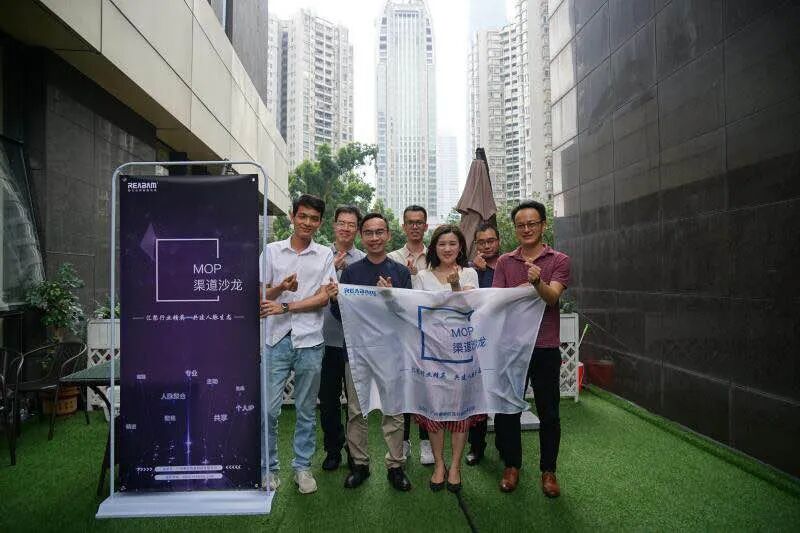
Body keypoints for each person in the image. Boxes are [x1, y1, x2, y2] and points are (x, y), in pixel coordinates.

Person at [491, 200, 570, 498]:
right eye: (521, 225)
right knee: (508, 409)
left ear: (543, 225)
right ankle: (512, 466)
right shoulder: (505, 262)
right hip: (511, 348)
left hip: (545, 347)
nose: (526, 229)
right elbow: (496, 301)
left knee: (549, 412)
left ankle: (548, 471)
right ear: (515, 229)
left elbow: (552, 298)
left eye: (532, 223)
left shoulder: (559, 260)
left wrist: (537, 283)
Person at [330, 212, 414, 492]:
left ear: (388, 235)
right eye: (369, 232)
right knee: (356, 411)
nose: (375, 237)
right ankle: (359, 464)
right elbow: (341, 316)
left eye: (380, 232)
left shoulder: (400, 272)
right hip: (357, 352)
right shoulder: (351, 272)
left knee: (394, 410)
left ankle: (396, 466)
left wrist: (390, 298)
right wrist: (335, 300)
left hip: (392, 352)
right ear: (361, 236)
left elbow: (407, 316)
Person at [260, 194, 337, 495]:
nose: (307, 222)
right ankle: (269, 468)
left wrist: (286, 306)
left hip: (311, 341)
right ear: (292, 216)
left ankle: (302, 468)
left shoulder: (324, 254)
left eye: (313, 218)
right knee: (268, 410)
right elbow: (259, 296)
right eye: (302, 216)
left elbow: (324, 297)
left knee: (305, 410)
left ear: (319, 223)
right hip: (275, 340)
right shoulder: (271, 251)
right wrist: (281, 287)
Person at [412, 225, 485, 493]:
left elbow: (471, 310)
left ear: (460, 247)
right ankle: (439, 464)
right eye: (442, 244)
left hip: (462, 354)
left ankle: (455, 466)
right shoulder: (421, 276)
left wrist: (455, 286)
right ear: (434, 247)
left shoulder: (470, 273)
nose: (447, 248)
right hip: (431, 353)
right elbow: (416, 310)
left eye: (453, 243)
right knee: (434, 409)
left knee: (460, 411)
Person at [319, 206, 365, 471]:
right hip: (325, 339)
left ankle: (354, 450)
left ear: (357, 229)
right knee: (328, 400)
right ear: (334, 225)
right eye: (342, 223)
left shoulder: (363, 260)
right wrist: (330, 268)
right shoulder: (321, 255)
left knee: (355, 403)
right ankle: (333, 449)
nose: (346, 228)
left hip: (354, 343)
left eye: (351, 224)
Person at [387, 205, 433, 465]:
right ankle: (403, 441)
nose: (415, 226)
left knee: (426, 387)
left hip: (428, 332)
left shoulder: (434, 256)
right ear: (403, 226)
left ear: (426, 226)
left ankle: (426, 441)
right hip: (401, 332)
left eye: (419, 222)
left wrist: (419, 277)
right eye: (410, 222)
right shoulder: (392, 257)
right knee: (404, 386)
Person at [464, 222, 501, 465]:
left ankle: (504, 444)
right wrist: (480, 271)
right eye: (481, 242)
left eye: (491, 241)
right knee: (477, 396)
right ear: (476, 244)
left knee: (501, 393)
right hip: (475, 341)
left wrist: (488, 271)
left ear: (498, 241)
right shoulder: (469, 270)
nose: (487, 246)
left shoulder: (509, 264)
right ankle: (476, 446)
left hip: (503, 340)